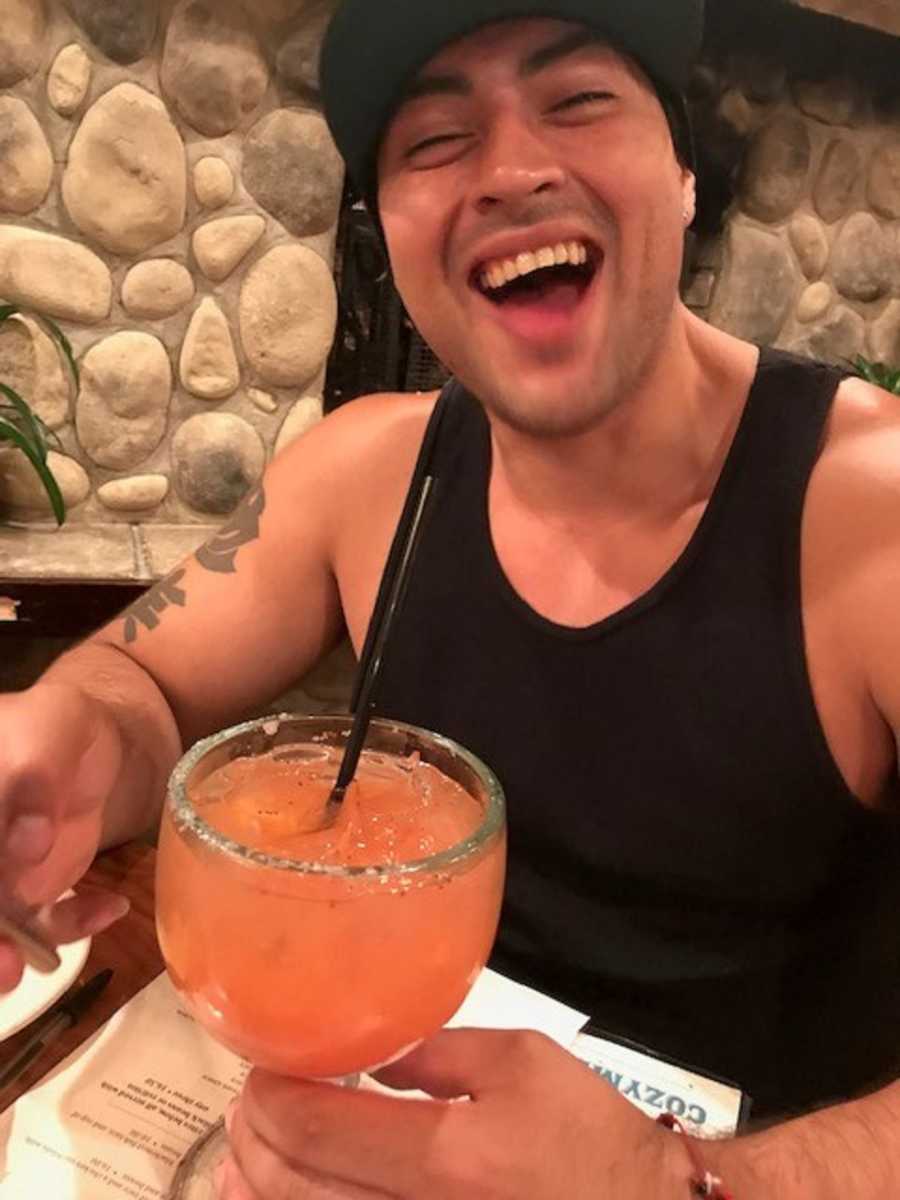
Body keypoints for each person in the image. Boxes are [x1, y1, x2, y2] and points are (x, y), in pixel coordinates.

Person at [2, 0, 900, 1194]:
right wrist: (66, 737)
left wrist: (664, 1184)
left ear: (684, 176)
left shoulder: (872, 512)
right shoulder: (363, 471)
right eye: (433, 142)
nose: (513, 168)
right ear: (393, 243)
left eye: (578, 100)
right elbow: (141, 681)